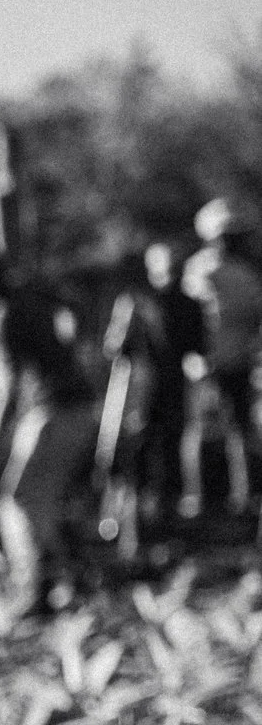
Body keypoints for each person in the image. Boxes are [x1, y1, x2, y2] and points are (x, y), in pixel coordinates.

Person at [0, 238, 100, 619]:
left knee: (18, 500)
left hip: (56, 411)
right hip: (72, 409)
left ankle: (34, 591)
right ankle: (69, 579)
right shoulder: (26, 301)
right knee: (40, 500)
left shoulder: (3, 316)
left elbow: (5, 396)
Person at [101, 241, 205, 525]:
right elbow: (116, 348)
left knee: (156, 450)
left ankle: (157, 514)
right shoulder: (137, 303)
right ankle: (134, 516)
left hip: (160, 389)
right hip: (143, 391)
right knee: (142, 451)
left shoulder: (178, 303)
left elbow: (197, 346)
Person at [181, 197, 262, 517]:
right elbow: (187, 319)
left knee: (239, 431)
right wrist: (194, 357)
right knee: (199, 431)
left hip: (237, 363)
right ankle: (196, 498)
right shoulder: (199, 270)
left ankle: (241, 497)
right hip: (205, 366)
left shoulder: (246, 275)